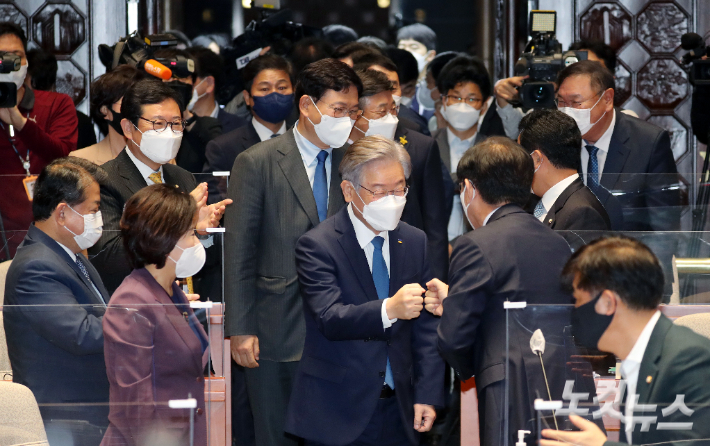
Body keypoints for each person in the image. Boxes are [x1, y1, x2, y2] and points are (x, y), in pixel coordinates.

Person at [225, 58, 362, 446]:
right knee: (275, 433)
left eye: (353, 111)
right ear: (307, 106)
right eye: (338, 110)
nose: (348, 119)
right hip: (274, 326)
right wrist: (241, 328)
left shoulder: (355, 162)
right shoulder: (257, 162)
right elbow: (239, 250)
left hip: (342, 326)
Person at [285, 135, 444, 445]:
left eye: (399, 189)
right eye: (379, 191)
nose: (392, 199)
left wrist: (427, 394)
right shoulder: (318, 245)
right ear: (348, 191)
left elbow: (427, 327)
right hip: (337, 410)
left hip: (400, 407)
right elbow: (330, 317)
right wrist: (390, 310)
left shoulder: (414, 241)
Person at [423, 137, 573, 446]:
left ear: (469, 187)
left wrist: (479, 368)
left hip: (507, 388)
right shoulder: (557, 240)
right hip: (558, 381)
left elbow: (454, 337)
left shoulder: (474, 244)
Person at [541, 236, 710, 446]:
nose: (575, 311)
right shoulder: (639, 359)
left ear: (607, 303)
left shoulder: (689, 359)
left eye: (578, 301)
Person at [88, 78, 230, 296]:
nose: (169, 132)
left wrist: (203, 233)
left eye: (175, 123)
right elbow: (110, 255)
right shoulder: (105, 181)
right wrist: (180, 218)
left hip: (184, 305)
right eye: (158, 124)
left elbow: (205, 261)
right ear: (128, 127)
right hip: (133, 307)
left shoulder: (183, 178)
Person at [4, 159, 110, 445]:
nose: (98, 219)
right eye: (94, 210)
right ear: (62, 213)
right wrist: (141, 315)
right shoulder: (36, 267)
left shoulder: (67, 255)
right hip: (66, 421)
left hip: (91, 411)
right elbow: (83, 334)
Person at [101, 184, 209, 446]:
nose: (196, 241)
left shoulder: (170, 290)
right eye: (190, 233)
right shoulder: (132, 302)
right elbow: (136, 405)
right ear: (163, 240)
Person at [348, 69, 449, 281]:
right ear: (357, 114)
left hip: (406, 264)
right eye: (381, 111)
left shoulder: (417, 149)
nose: (391, 118)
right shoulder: (338, 151)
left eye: (393, 109)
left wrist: (436, 280)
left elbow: (435, 227)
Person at [555, 60, 679, 231]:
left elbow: (664, 224)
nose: (567, 111)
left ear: (607, 99)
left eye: (576, 102)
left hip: (629, 254)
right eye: (562, 102)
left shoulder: (648, 142)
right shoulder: (554, 140)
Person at [0, 22, 78, 260]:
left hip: (50, 235)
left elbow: (63, 154)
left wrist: (21, 123)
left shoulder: (57, 104)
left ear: (27, 62)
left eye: (18, 56)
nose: (12, 64)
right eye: (3, 58)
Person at [431, 55, 507, 241]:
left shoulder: (496, 151)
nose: (462, 105)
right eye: (455, 97)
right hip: (435, 244)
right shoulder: (427, 145)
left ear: (484, 105)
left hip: (481, 242)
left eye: (471, 99)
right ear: (444, 100)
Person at [203, 54, 294, 203]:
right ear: (247, 97)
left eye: (282, 87)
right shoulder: (223, 148)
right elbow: (217, 204)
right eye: (264, 89)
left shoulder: (305, 142)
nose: (274, 94)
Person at [519, 108, 611, 230]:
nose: (517, 164)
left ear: (536, 159)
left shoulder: (582, 213)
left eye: (520, 155)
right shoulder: (544, 203)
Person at [153, 47, 224, 173]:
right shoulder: (145, 127)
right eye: (169, 76)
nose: (176, 83)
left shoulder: (207, 126)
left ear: (192, 84)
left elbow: (220, 158)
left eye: (183, 77)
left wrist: (185, 118)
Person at [72, 65, 145, 165]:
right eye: (125, 103)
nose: (134, 109)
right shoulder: (81, 159)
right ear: (105, 110)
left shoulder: (157, 158)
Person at [353, 52, 430, 136]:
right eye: (378, 85)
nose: (387, 92)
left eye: (392, 87)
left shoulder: (414, 129)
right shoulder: (339, 138)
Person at [186, 46, 246, 134]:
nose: (182, 85)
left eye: (188, 78)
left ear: (209, 83)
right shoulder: (171, 126)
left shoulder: (240, 129)